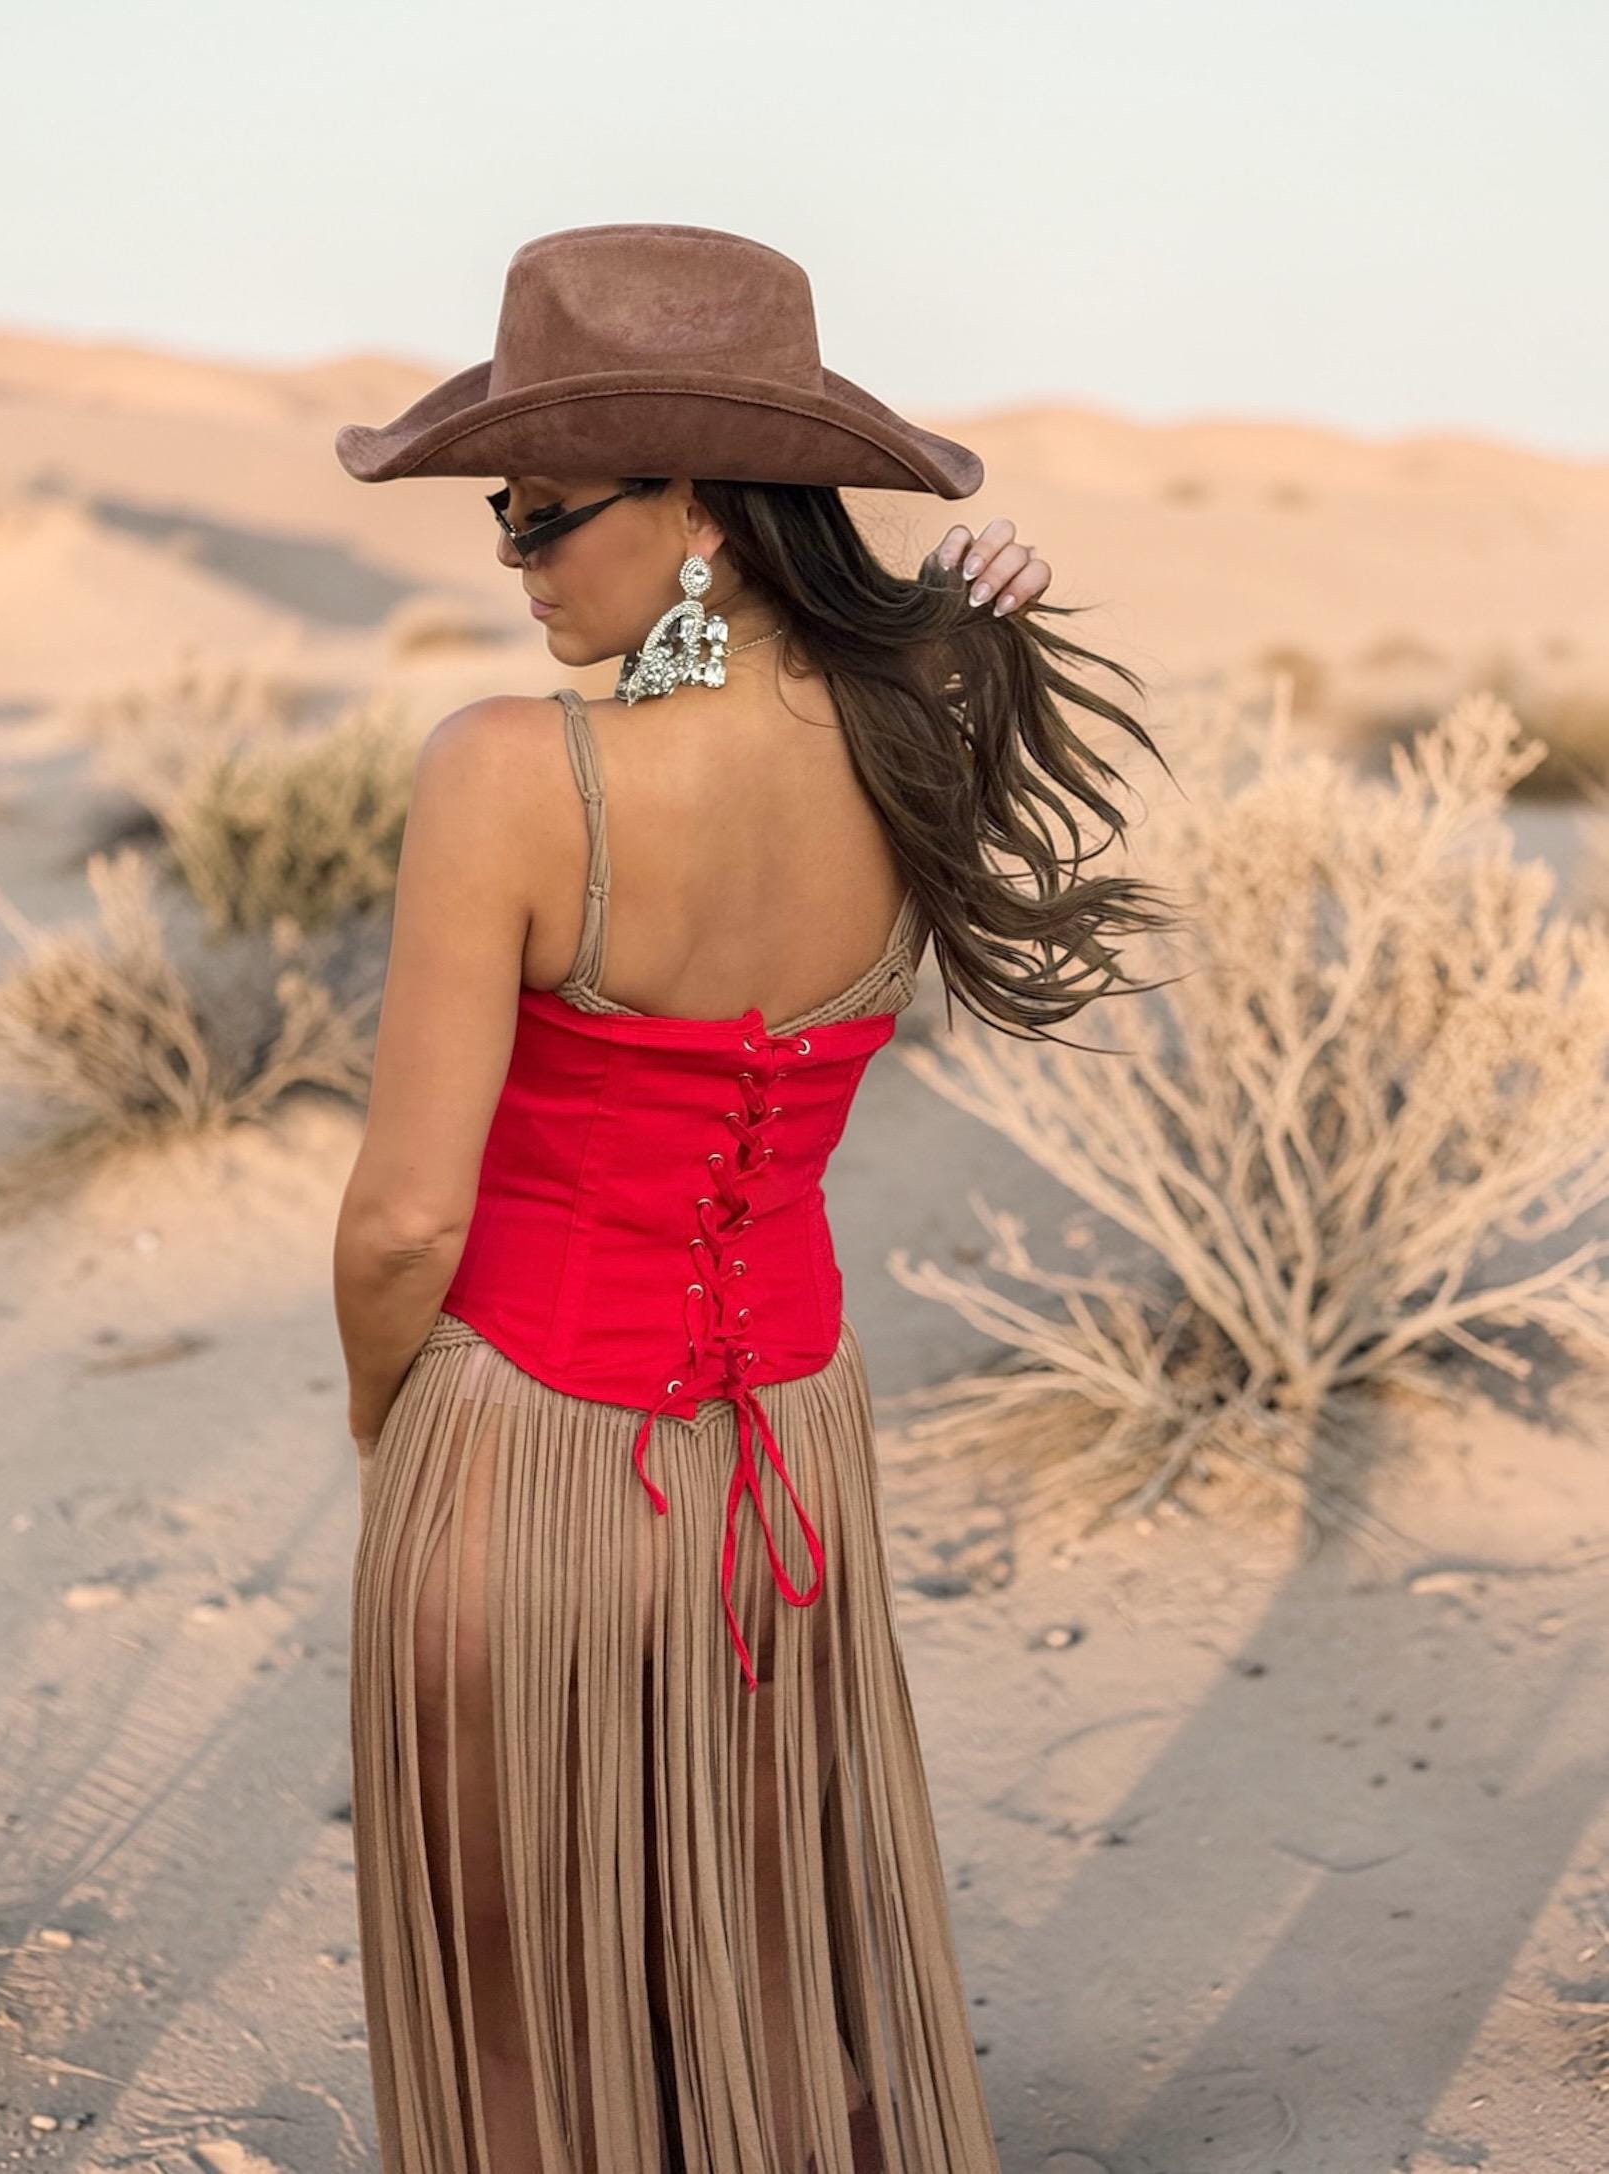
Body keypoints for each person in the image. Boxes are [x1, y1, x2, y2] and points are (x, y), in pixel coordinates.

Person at [331, 223, 1173, 2174]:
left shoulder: (507, 772)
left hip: (519, 1434)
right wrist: (953, 624)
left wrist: (387, 1417)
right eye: (497, 516)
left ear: (699, 508)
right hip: (783, 1453)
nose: (514, 558)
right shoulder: (907, 741)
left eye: (541, 514)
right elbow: (860, 668)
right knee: (762, 1952)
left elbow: (397, 1224)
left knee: (518, 2002)